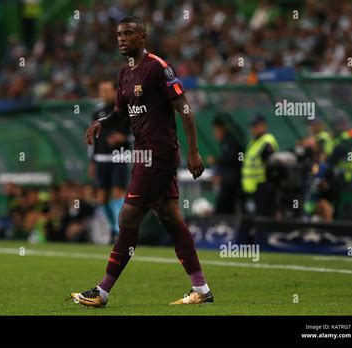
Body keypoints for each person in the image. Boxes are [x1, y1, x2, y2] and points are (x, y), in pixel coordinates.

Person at [71, 16, 212, 307]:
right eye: (119, 34)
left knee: (127, 218)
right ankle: (201, 289)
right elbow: (121, 113)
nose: (122, 38)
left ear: (143, 37)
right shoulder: (124, 74)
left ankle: (103, 291)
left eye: (128, 33)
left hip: (157, 155)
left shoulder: (159, 68)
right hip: (143, 154)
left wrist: (193, 151)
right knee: (171, 219)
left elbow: (184, 109)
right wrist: (102, 122)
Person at [88, 79, 130, 238]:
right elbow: (91, 138)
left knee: (118, 192)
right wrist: (92, 160)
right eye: (101, 90)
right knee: (101, 196)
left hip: (119, 157)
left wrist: (124, 138)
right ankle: (108, 230)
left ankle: (121, 231)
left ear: (115, 91)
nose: (103, 94)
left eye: (106, 90)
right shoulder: (97, 112)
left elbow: (136, 133)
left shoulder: (125, 109)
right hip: (101, 159)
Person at [241, 114, 279, 217]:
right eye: (252, 126)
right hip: (250, 188)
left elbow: (271, 166)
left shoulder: (267, 141)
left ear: (264, 125)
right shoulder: (252, 143)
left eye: (256, 126)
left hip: (262, 187)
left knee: (263, 219)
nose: (254, 128)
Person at [208, 114, 244, 214]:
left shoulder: (232, 140)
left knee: (223, 209)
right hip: (228, 182)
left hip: (233, 183)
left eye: (216, 129)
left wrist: (216, 161)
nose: (215, 133)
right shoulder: (225, 142)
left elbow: (231, 158)